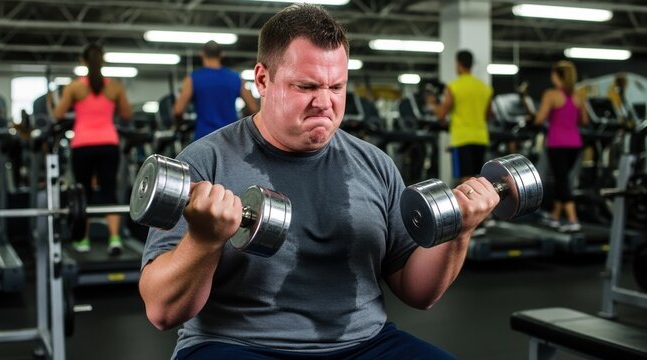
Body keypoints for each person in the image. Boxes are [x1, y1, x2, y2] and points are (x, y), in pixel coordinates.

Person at [139, 4, 498, 360]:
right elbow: (162, 311)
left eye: (337, 86)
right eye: (306, 86)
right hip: (238, 344)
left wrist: (458, 230)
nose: (325, 102)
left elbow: (418, 293)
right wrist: (204, 240)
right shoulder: (204, 161)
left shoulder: (375, 164)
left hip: (365, 344)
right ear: (263, 80)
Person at [52, 43, 133, 254]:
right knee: (109, 191)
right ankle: (114, 238)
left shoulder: (74, 87)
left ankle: (83, 240)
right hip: (108, 144)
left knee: (83, 192)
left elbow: (58, 115)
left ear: (83, 61)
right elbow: (127, 115)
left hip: (83, 145)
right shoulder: (114, 87)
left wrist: (54, 104)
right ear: (102, 60)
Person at [533, 60, 589, 232]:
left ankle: (573, 219)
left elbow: (539, 119)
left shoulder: (551, 95)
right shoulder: (578, 97)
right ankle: (555, 217)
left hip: (557, 143)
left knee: (562, 180)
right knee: (562, 179)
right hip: (575, 144)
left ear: (557, 75)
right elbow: (584, 121)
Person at [427, 50, 494, 184]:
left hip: (462, 138)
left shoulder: (453, 87)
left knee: (465, 180)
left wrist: (432, 105)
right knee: (477, 179)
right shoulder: (485, 88)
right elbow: (488, 116)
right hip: (481, 138)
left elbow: (441, 113)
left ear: (458, 64)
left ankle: (466, 206)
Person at [173, 40, 259, 141]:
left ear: (202, 54)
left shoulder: (192, 79)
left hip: (203, 139)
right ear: (221, 55)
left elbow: (178, 110)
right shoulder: (235, 78)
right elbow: (253, 108)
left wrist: (178, 126)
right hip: (231, 138)